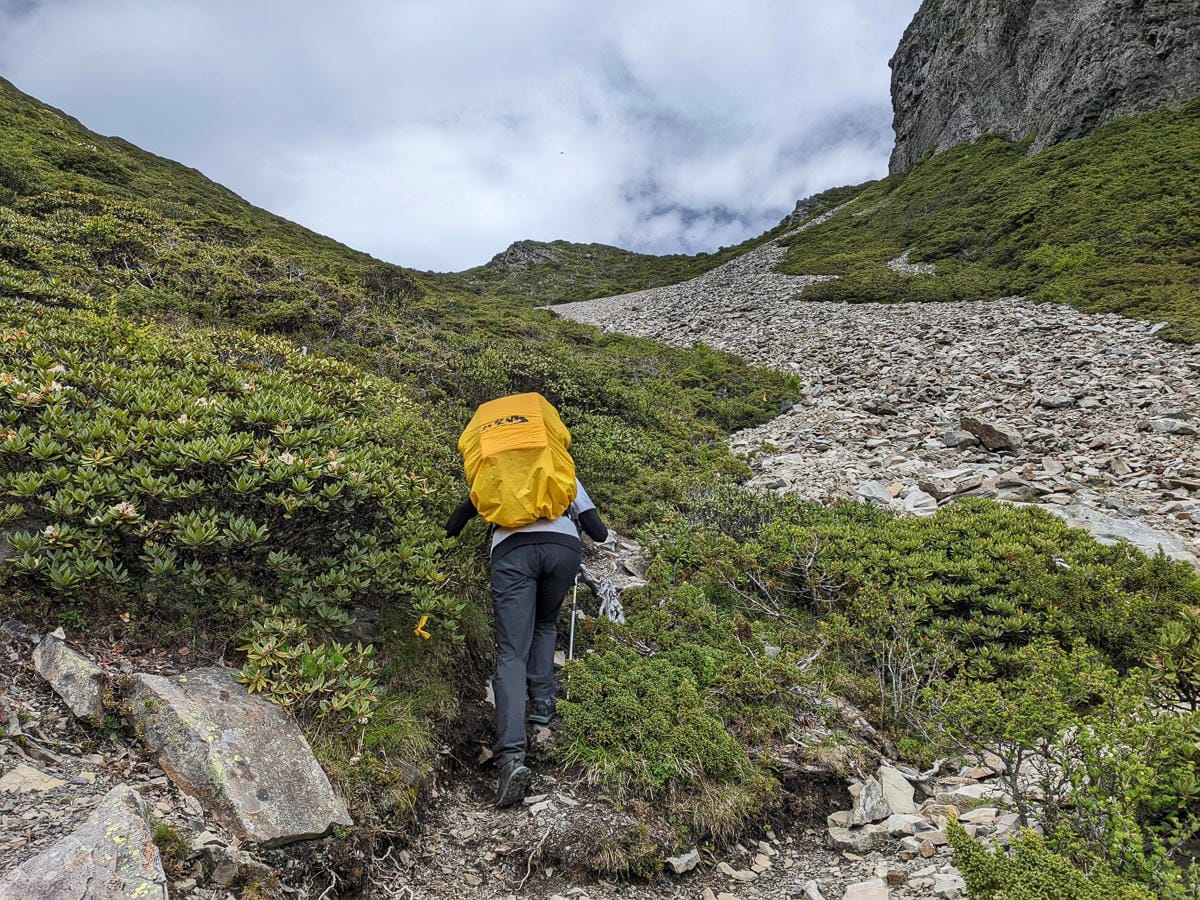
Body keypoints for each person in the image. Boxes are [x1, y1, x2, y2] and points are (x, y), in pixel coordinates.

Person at [445, 477, 608, 807]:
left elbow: (463, 513)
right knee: (545, 623)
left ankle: (511, 758)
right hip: (563, 547)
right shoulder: (561, 470)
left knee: (511, 652)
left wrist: (446, 534)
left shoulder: (502, 468)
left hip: (513, 550)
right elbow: (598, 530)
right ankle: (543, 704)